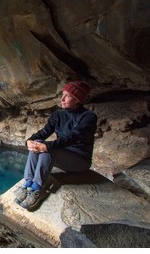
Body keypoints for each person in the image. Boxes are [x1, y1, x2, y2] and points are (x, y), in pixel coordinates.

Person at [14, 80, 97, 211]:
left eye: (68, 96)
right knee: (38, 143)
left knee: (48, 149)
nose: (62, 99)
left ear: (77, 100)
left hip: (80, 160)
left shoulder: (88, 117)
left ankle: (38, 189)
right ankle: (28, 184)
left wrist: (46, 147)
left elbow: (72, 137)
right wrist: (30, 141)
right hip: (62, 154)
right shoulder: (59, 114)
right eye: (63, 95)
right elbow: (44, 132)